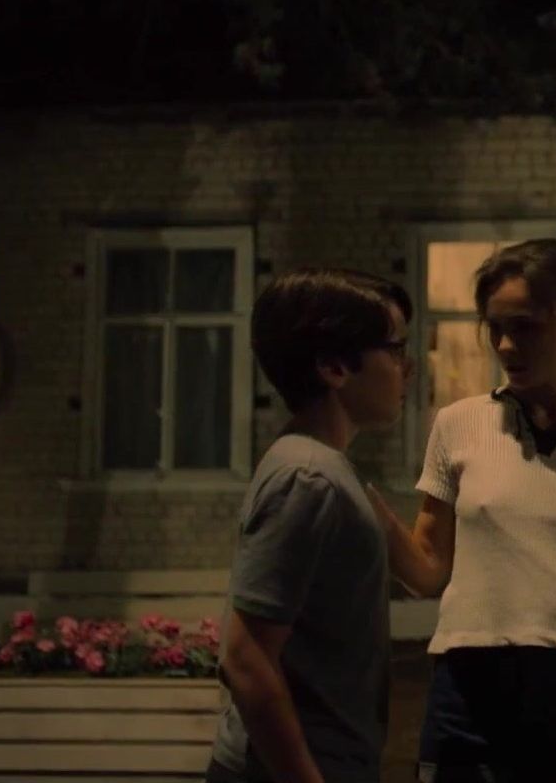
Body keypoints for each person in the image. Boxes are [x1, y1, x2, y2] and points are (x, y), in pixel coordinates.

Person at [369, 239, 556, 783]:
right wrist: (367, 507)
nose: (507, 346)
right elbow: (428, 570)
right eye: (495, 329)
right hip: (468, 691)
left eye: (526, 327)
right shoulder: (458, 424)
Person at [208, 269, 414, 783]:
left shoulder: (324, 468)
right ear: (333, 367)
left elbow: (425, 571)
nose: (407, 367)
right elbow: (246, 659)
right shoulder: (308, 478)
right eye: (394, 349)